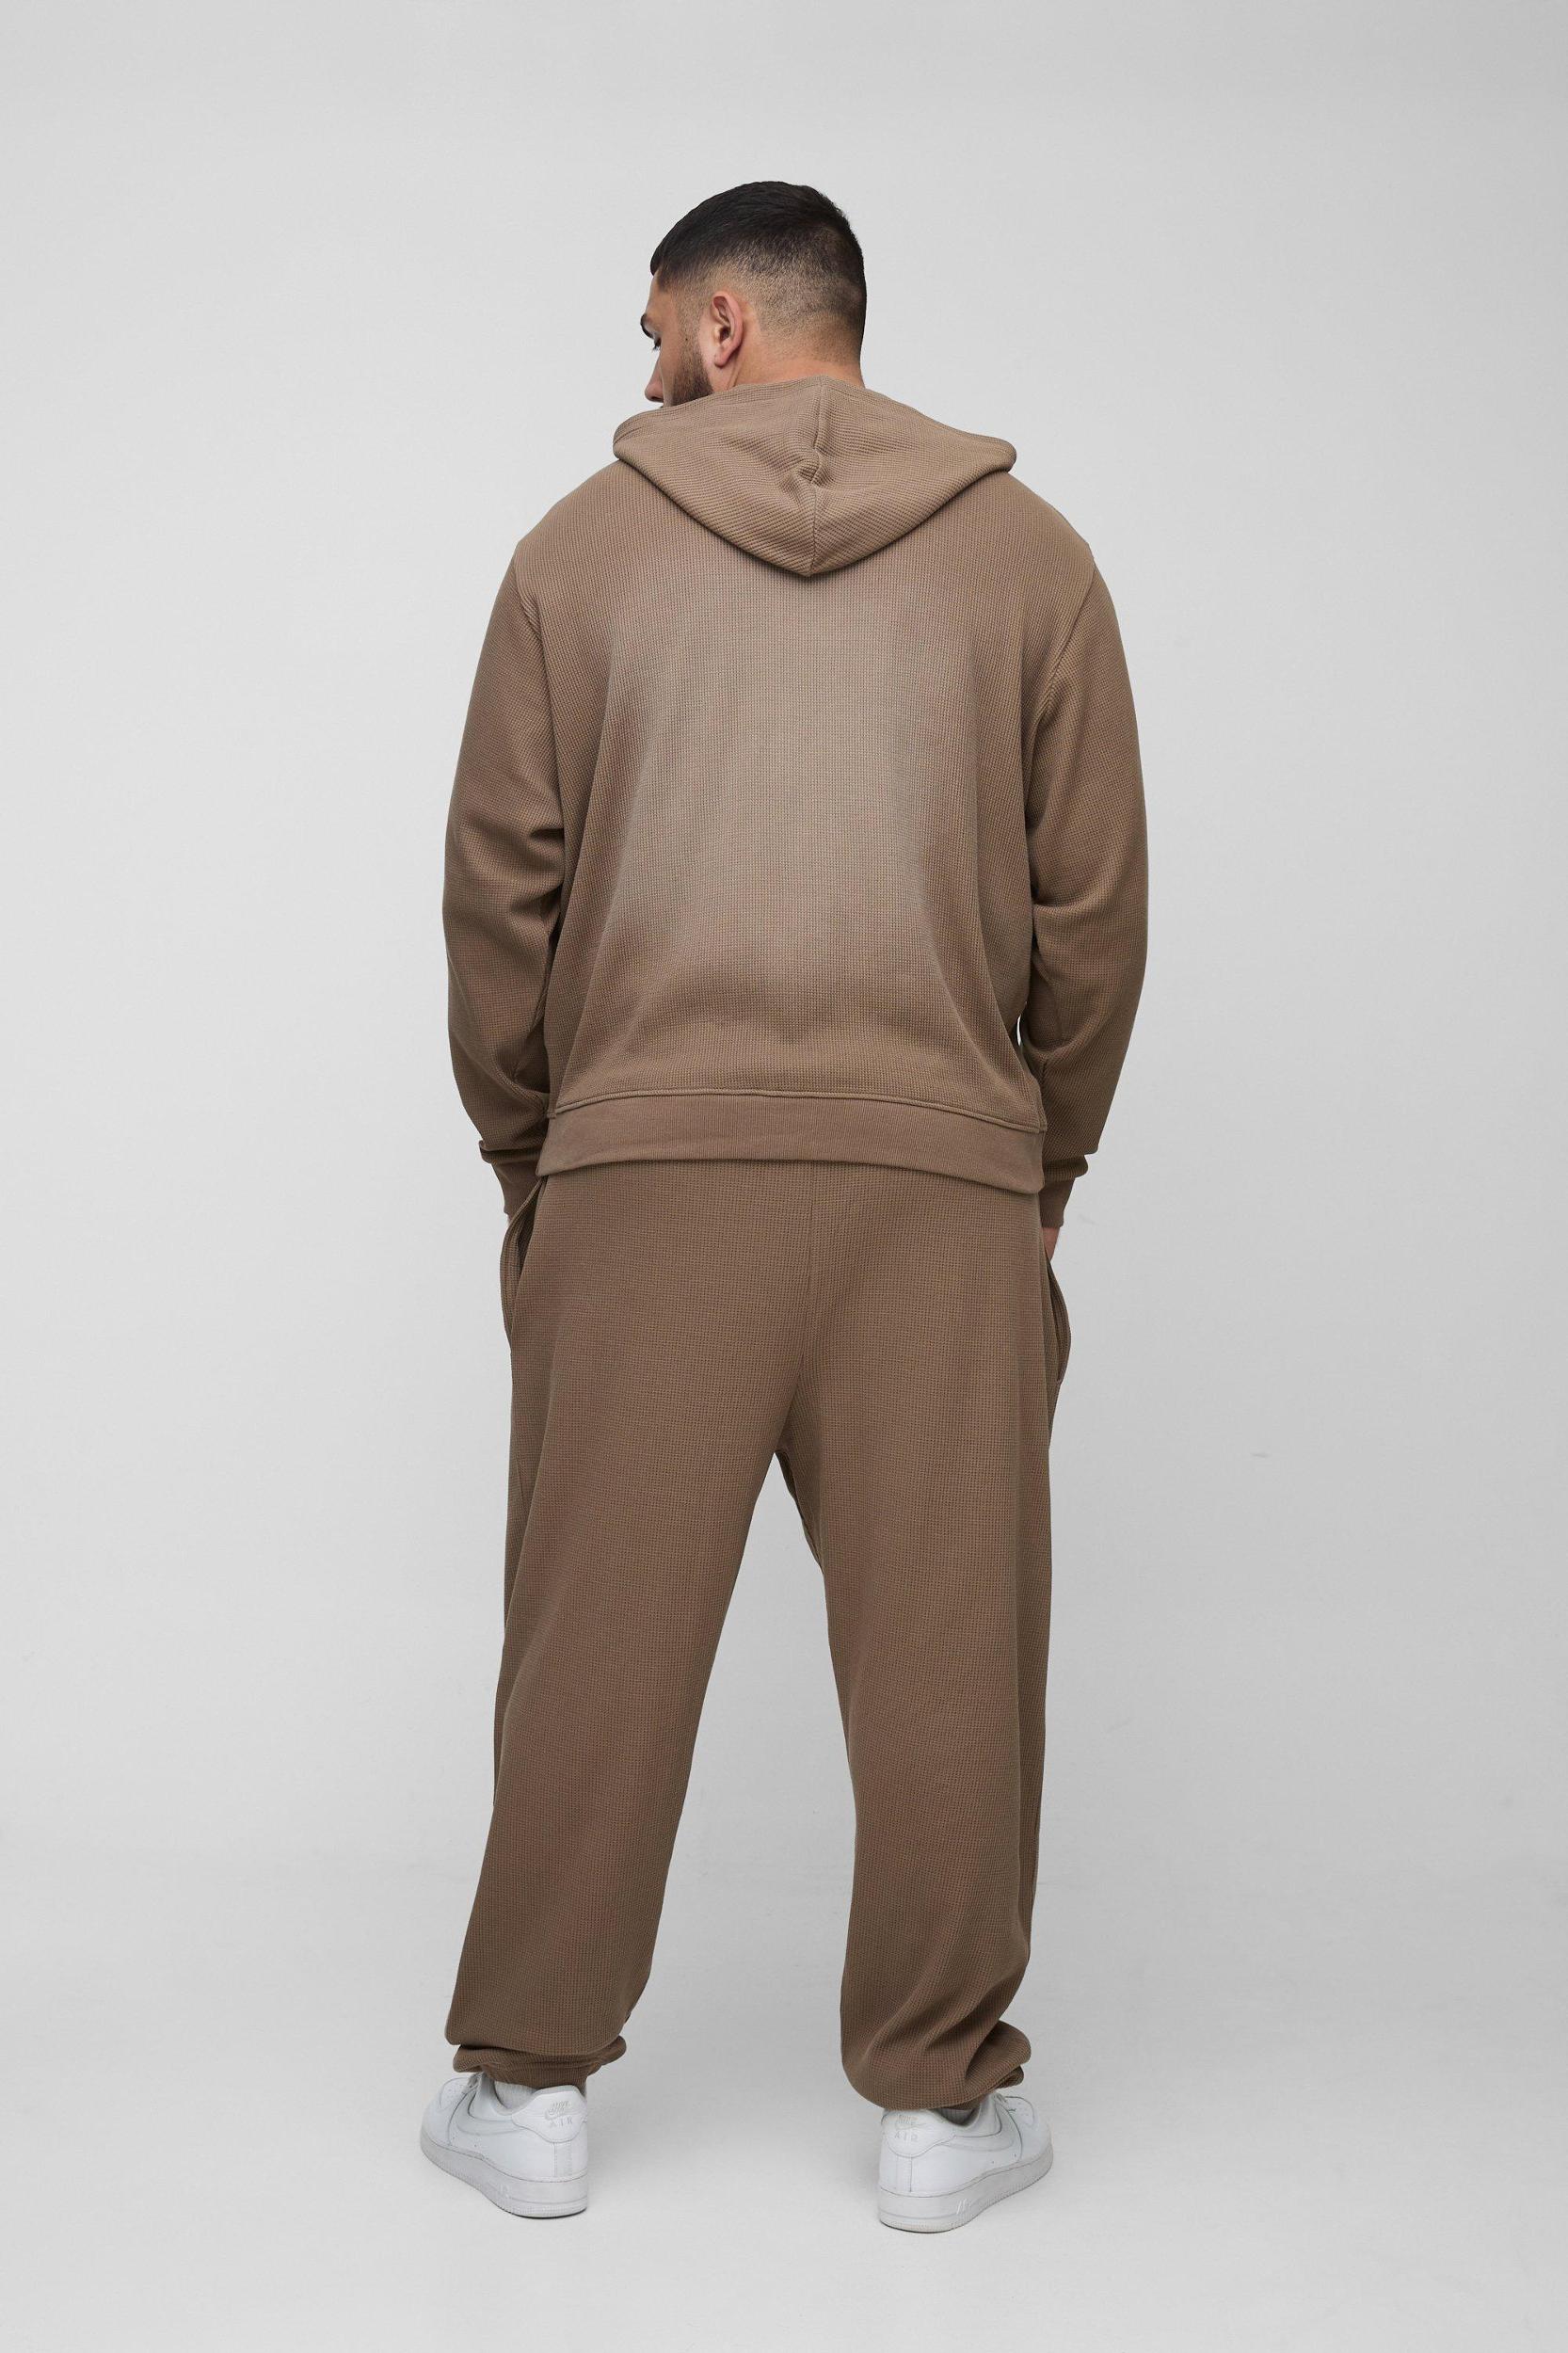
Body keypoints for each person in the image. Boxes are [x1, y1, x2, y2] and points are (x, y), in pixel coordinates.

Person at [421, 181, 1147, 2233]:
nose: (644, 363)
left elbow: (497, 890)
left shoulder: (576, 552)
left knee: (593, 1637)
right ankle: (940, 2107)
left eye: (656, 323)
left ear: (726, 324)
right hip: (937, 1180)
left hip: (643, 1172)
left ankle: (523, 2086)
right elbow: (1092, 908)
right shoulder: (1030, 558)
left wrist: (535, 1156)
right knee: (949, 1653)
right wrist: (1039, 1159)